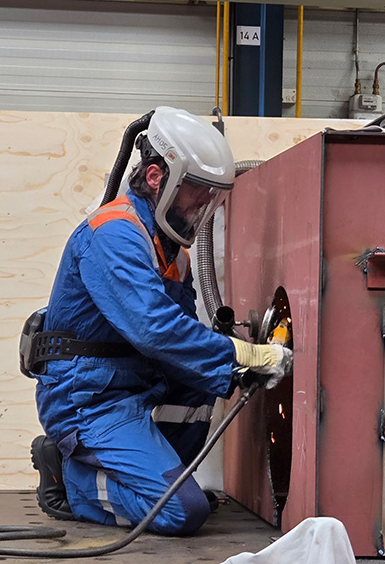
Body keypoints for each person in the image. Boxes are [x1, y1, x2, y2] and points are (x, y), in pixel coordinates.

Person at [27, 107, 292, 536]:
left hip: (131, 386)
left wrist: (236, 369)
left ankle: (161, 481)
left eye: (211, 196)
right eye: (196, 191)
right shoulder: (113, 233)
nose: (202, 205)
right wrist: (238, 353)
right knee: (182, 513)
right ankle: (71, 480)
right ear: (156, 178)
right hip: (88, 399)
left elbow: (180, 344)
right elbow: (154, 328)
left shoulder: (173, 255)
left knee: (202, 380)